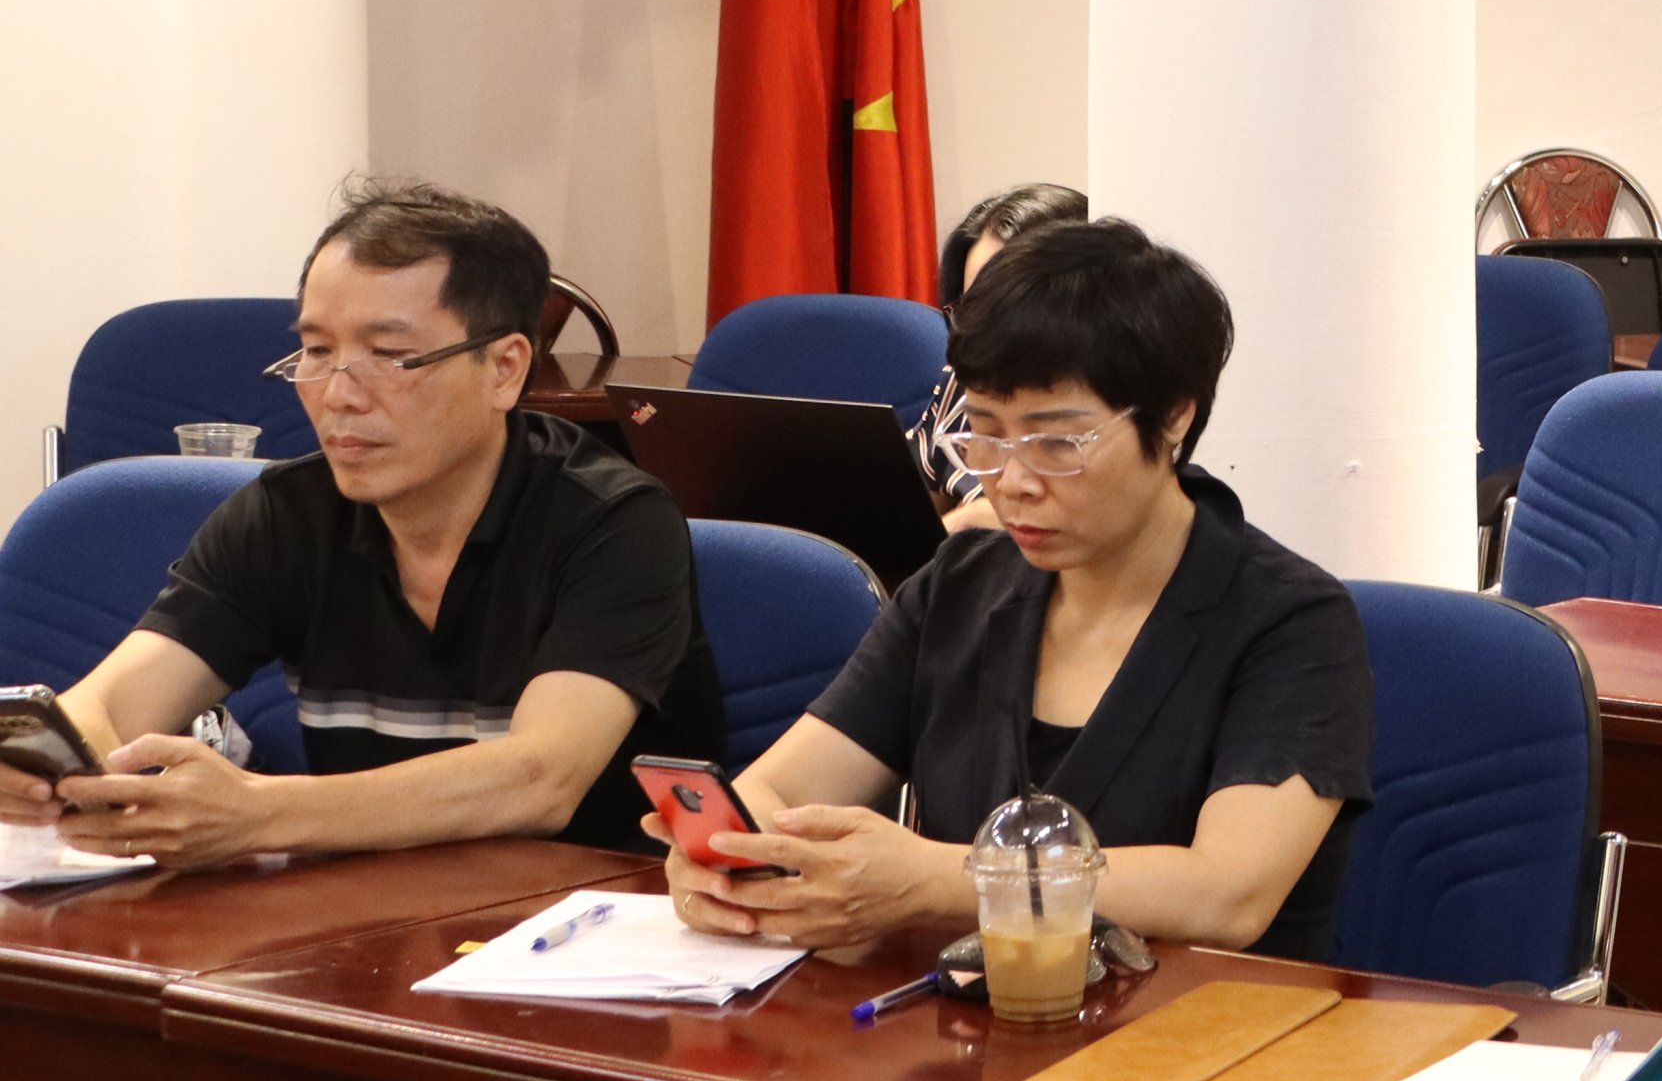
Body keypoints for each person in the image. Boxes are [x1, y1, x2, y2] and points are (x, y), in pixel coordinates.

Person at [661, 218, 1374, 959]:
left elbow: (1226, 893)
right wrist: (726, 855)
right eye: (985, 434)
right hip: (968, 1011)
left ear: (1173, 417)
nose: (1012, 480)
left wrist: (936, 879)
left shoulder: (1291, 622)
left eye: (1056, 442)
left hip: (1204, 1018)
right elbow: (777, 792)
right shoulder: (962, 584)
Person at [0, 181, 724, 862]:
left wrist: (258, 813)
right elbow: (112, 704)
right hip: (361, 907)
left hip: (579, 917)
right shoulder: (286, 515)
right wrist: (44, 763)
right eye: (318, 351)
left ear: (504, 368)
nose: (338, 394)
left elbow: (540, 778)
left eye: (390, 355)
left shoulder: (614, 522)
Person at [921, 179, 1090, 535]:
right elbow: (922, 500)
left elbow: (1100, 516)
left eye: (1007, 306)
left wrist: (970, 519)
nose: (988, 328)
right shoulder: (961, 378)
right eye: (973, 306)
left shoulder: (1101, 392)